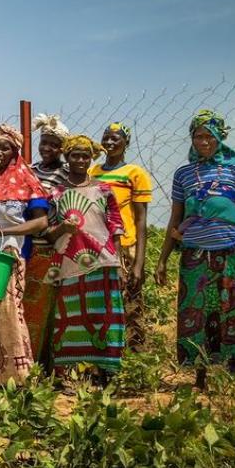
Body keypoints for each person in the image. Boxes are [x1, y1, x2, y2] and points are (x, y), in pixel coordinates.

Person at [155, 110, 235, 389]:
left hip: (232, 251)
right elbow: (175, 217)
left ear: (219, 138)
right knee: (196, 313)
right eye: (198, 136)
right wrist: (163, 259)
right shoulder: (183, 174)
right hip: (194, 254)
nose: (203, 142)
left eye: (209, 136)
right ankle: (200, 375)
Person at [45, 135, 126, 384]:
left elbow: (116, 227)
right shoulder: (56, 194)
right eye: (74, 155)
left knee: (105, 315)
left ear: (92, 158)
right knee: (70, 316)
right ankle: (68, 376)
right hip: (69, 263)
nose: (80, 160)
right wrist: (63, 230)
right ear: (67, 158)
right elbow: (48, 232)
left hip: (103, 260)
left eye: (85, 156)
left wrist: (121, 263)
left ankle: (105, 373)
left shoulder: (103, 190)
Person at [0, 125, 48, 385]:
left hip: (12, 254)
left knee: (9, 312)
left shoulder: (27, 180)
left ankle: (19, 375)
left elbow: (40, 223)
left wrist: (1, 231)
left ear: (15, 150)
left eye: (5, 147)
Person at [90, 122, 153, 351]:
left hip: (125, 245)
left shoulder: (135, 174)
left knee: (130, 304)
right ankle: (103, 355)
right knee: (100, 304)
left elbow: (141, 220)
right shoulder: (93, 172)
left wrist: (139, 262)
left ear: (126, 143)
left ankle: (135, 358)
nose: (109, 142)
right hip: (96, 246)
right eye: (106, 137)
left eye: (115, 138)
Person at [23, 113, 71, 366]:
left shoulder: (67, 174)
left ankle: (52, 363)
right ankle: (31, 361)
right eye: (44, 142)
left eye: (53, 144)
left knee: (54, 307)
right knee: (30, 305)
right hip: (31, 246)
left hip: (56, 246)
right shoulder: (30, 171)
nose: (47, 148)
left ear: (63, 148)